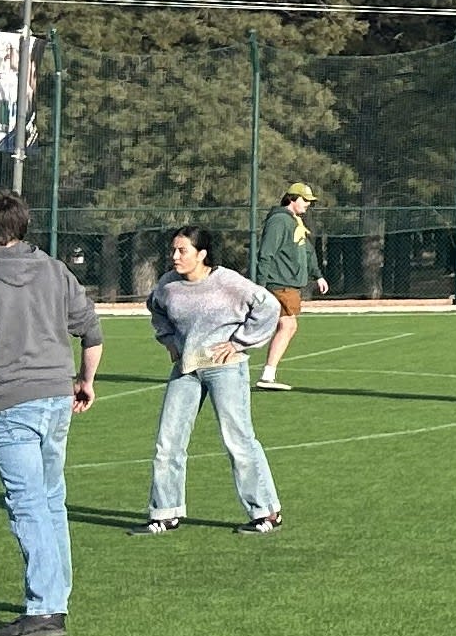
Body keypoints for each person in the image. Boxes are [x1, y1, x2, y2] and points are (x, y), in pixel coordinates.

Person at [0, 190, 104, 636]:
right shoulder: (55, 270)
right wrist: (84, 380)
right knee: (52, 501)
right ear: (25, 225)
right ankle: (57, 598)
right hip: (57, 397)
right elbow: (91, 331)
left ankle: (45, 609)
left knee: (28, 506)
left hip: (11, 404)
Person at [138, 225, 283, 536]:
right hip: (188, 367)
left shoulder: (228, 282)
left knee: (238, 440)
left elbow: (268, 305)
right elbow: (155, 307)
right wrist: (169, 341)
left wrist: (239, 342)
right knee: (168, 442)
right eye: (173, 250)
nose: (175, 257)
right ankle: (165, 513)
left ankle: (266, 512)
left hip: (225, 367)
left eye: (182, 251)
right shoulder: (168, 285)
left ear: (201, 255)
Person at [252, 182, 323, 390]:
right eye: (305, 200)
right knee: (288, 325)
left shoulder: (295, 222)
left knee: (276, 326)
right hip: (279, 283)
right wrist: (261, 286)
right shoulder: (279, 222)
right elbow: (266, 253)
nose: (308, 204)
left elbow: (307, 251)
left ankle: (266, 374)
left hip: (289, 284)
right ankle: (267, 376)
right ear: (292, 199)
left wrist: (317, 275)